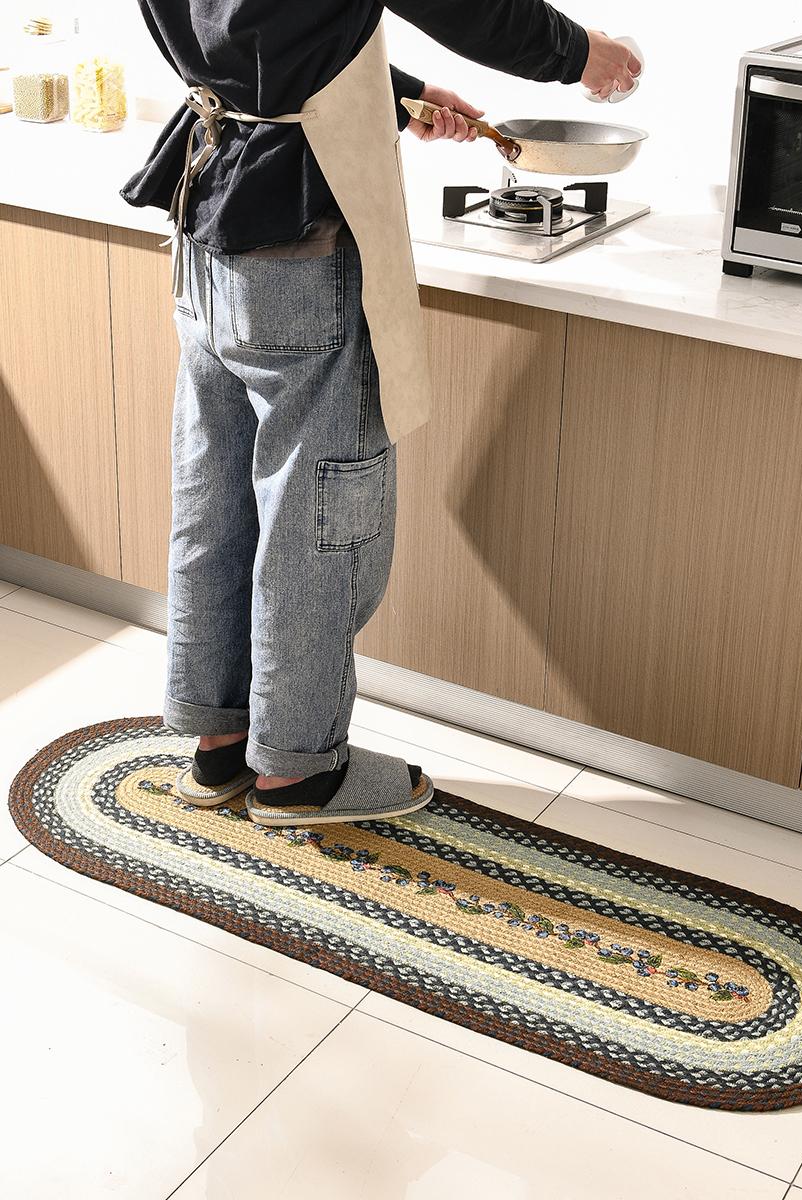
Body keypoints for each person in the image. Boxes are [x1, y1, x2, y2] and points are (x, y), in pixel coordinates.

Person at [120, 1, 641, 829]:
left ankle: (221, 742)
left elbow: (248, 32)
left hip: (209, 202)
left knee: (215, 494)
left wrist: (390, 91)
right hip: (298, 227)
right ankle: (298, 774)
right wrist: (579, 53)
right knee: (320, 515)